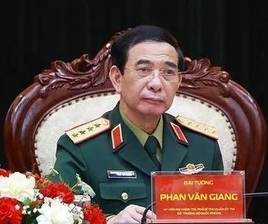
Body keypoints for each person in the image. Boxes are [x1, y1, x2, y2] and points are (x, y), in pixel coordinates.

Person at [53, 25, 223, 223]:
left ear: (178, 82)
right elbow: (58, 218)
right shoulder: (81, 148)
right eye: (144, 70)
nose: (156, 84)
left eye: (168, 72)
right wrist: (110, 222)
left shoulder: (203, 145)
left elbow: (224, 216)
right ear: (117, 78)